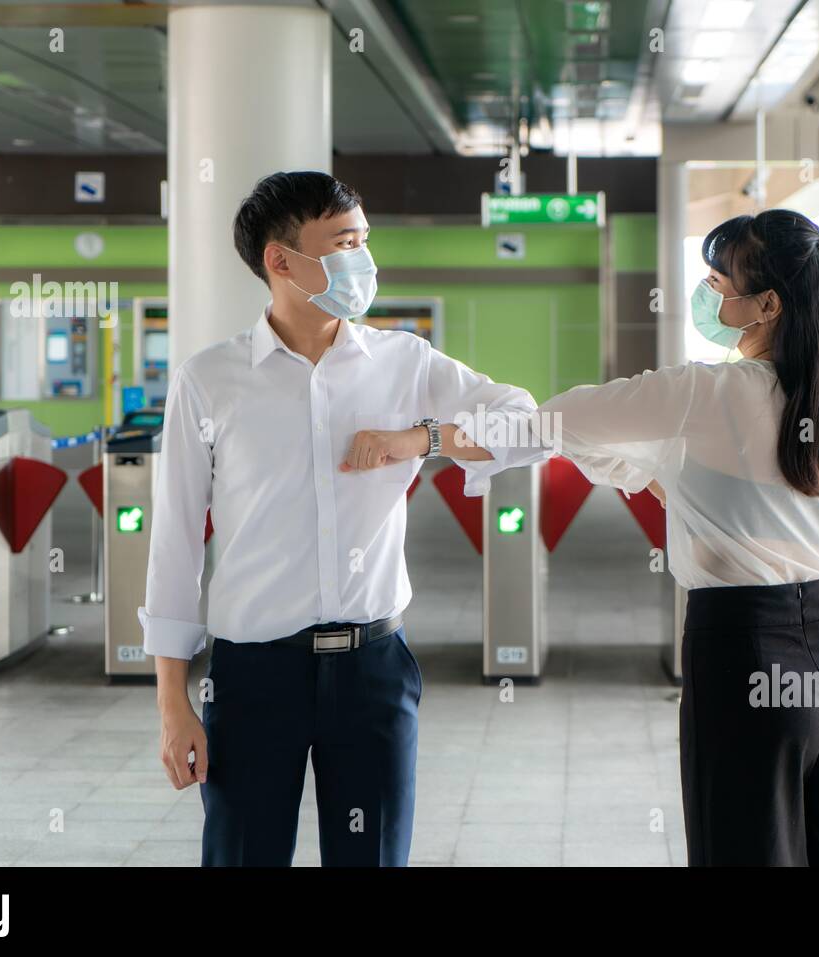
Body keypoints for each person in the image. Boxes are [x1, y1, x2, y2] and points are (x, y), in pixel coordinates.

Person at [140, 170, 540, 866]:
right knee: (241, 855)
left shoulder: (403, 363)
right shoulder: (210, 380)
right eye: (344, 241)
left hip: (373, 671)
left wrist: (421, 439)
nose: (363, 258)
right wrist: (172, 703)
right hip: (253, 675)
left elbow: (529, 423)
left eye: (364, 239)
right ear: (281, 260)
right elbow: (174, 542)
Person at [538, 209, 819, 866]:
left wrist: (640, 469)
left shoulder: (700, 394)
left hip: (743, 659)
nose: (707, 296)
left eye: (717, 281)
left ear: (765, 304)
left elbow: (557, 422)